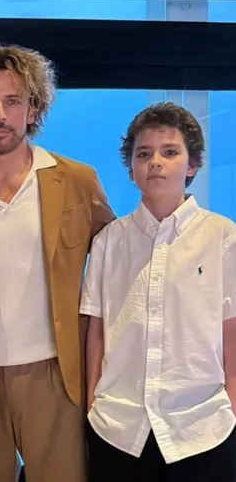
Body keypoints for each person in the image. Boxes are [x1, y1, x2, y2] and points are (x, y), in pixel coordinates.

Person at [0, 40, 115, 482]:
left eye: (12, 101)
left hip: (56, 375)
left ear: (32, 109)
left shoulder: (77, 181)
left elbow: (118, 261)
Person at [81, 102, 236, 481]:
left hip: (201, 428)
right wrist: (91, 403)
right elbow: (96, 330)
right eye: (143, 154)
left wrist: (231, 409)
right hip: (117, 428)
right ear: (131, 169)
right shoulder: (108, 242)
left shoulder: (223, 237)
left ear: (192, 165)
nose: (155, 163)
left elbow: (231, 334)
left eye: (170, 152)